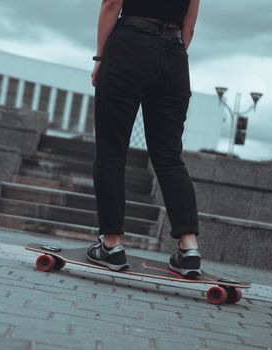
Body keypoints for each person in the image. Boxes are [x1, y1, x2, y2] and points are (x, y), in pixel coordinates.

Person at [86, 0, 202, 278]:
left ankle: (112, 245)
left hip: (129, 46)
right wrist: (168, 55)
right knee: (169, 156)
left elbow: (112, 3)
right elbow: (190, 25)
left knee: (112, 150)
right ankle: (189, 249)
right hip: (174, 54)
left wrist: (101, 58)